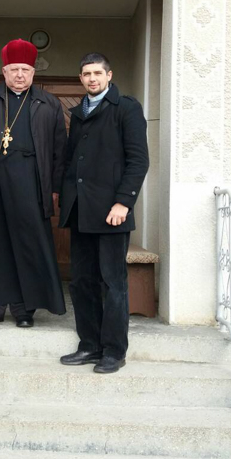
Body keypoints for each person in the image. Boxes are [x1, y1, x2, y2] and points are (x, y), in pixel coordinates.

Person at [0, 38, 67, 327]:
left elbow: (60, 151)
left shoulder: (49, 103)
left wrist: (55, 189)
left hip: (32, 183)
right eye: (14, 69)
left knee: (27, 246)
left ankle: (23, 310)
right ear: (4, 71)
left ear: (33, 73)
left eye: (25, 70)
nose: (20, 75)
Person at [59, 53, 149, 374]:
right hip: (80, 210)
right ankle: (89, 345)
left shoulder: (126, 108)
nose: (92, 78)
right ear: (81, 78)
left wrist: (123, 202)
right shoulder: (79, 112)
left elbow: (138, 160)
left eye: (97, 73)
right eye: (86, 74)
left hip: (112, 212)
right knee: (82, 282)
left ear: (109, 75)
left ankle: (113, 350)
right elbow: (73, 160)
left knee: (113, 283)